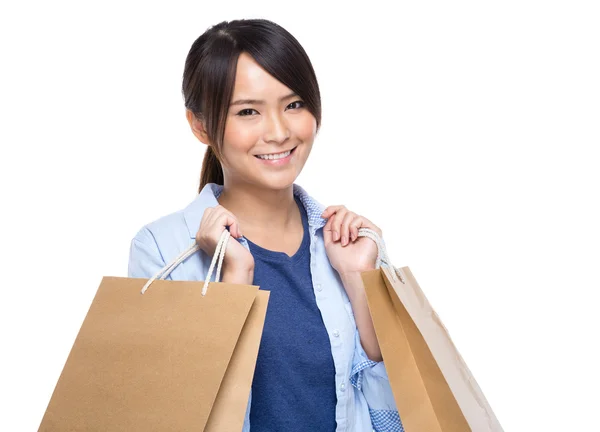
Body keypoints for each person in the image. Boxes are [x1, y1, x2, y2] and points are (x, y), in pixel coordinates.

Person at [128, 18, 402, 432]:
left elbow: (397, 419)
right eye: (248, 111)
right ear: (200, 125)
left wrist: (361, 282)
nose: (278, 131)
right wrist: (235, 283)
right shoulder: (163, 250)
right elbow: (170, 418)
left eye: (293, 105)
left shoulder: (349, 245)